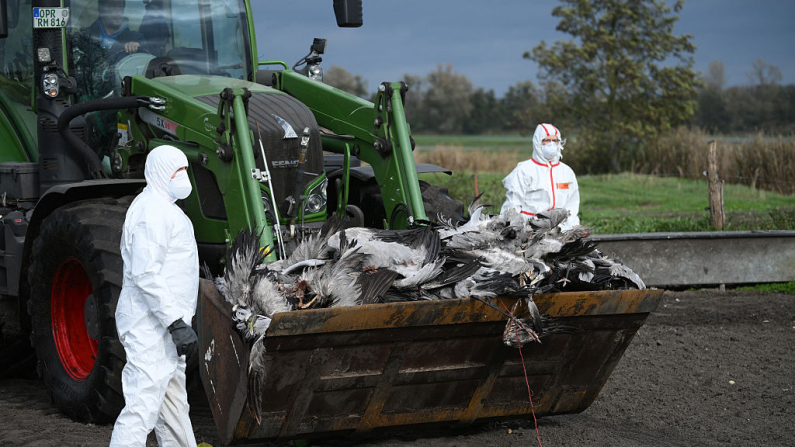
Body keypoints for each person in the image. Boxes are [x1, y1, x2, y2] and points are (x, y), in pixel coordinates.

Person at [110, 145, 199, 447]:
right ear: (160, 173)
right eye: (177, 171)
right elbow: (146, 273)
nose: (183, 177)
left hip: (165, 329)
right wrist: (175, 322)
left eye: (186, 170)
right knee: (141, 408)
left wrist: (178, 323)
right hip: (150, 327)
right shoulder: (151, 212)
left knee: (174, 408)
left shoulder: (167, 209)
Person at [500, 123, 580, 231]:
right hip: (530, 230)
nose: (551, 144)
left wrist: (572, 228)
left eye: (555, 140)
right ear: (538, 142)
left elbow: (572, 203)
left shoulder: (566, 172)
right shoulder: (524, 170)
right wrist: (511, 228)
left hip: (562, 230)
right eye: (546, 140)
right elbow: (513, 203)